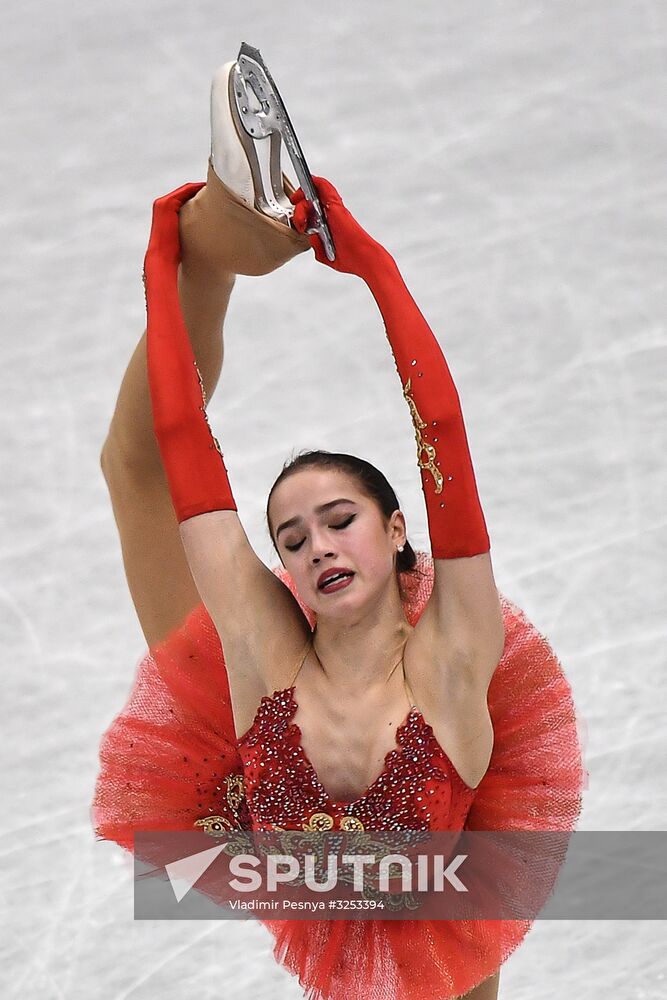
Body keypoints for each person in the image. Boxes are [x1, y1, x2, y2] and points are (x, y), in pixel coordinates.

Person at [92, 58, 586, 1000]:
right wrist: (167, 258)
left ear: (399, 532)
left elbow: (440, 433)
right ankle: (221, 231)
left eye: (340, 520)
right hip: (300, 797)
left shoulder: (452, 658)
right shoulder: (263, 654)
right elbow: (184, 448)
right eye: (291, 536)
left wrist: (373, 268)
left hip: (428, 909)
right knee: (140, 471)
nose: (315, 543)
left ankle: (224, 232)